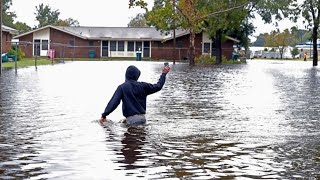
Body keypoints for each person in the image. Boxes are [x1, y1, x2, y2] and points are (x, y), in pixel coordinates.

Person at [99, 64, 170, 125]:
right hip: (142, 119)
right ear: (137, 76)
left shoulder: (122, 87)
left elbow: (113, 102)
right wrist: (163, 74)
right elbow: (158, 86)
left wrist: (104, 115)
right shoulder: (143, 86)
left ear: (126, 75)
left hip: (131, 120)